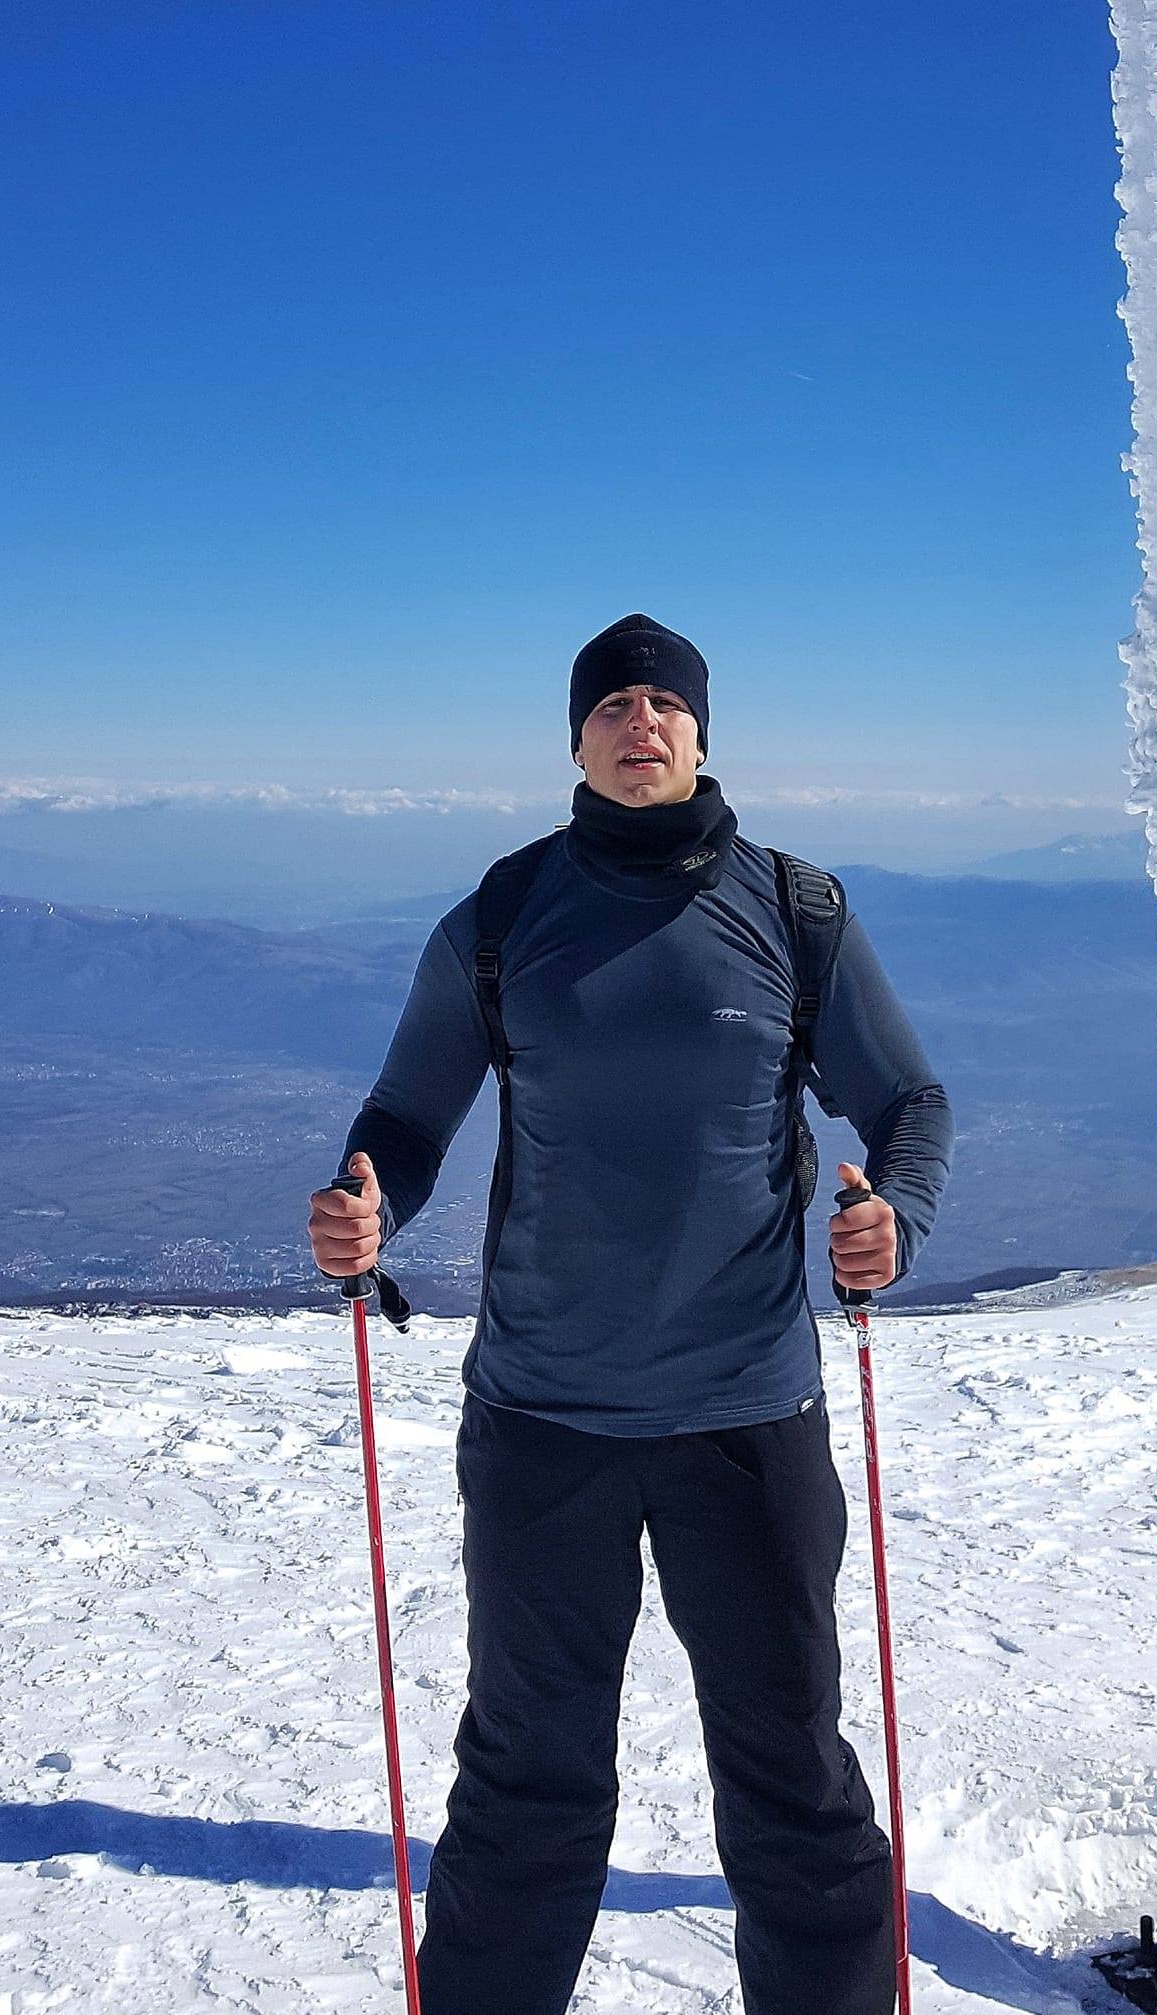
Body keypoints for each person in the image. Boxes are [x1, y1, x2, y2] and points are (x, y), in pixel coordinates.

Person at [307, 612, 953, 2015]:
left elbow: (907, 1103)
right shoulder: (500, 917)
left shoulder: (796, 910)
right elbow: (408, 1112)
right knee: (528, 1787)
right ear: (577, 738)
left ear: (703, 733)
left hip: (749, 1416)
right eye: (612, 705)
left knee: (793, 1785)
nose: (639, 722)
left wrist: (892, 1218)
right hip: (545, 1422)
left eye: (665, 702)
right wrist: (371, 1204)